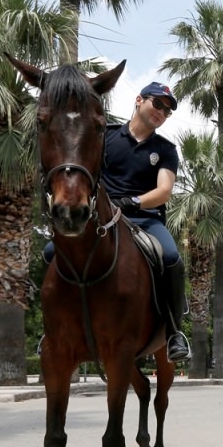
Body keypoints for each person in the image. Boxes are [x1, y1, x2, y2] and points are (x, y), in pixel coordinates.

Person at [43, 81, 190, 363]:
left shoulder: (166, 150)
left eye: (167, 111)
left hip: (144, 219)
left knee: (172, 258)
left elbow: (164, 191)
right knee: (51, 254)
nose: (161, 111)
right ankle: (51, 328)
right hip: (101, 218)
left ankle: (174, 333)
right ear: (139, 100)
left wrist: (133, 202)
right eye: (157, 103)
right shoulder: (106, 136)